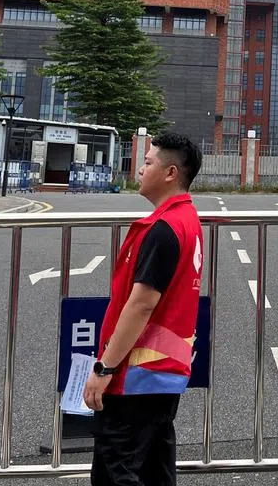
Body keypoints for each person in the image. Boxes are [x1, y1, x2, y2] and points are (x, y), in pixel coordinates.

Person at [84, 131, 204, 486]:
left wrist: (104, 368)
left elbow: (141, 305)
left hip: (135, 378)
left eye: (148, 162)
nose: (140, 169)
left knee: (116, 473)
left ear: (170, 173)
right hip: (163, 375)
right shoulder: (187, 220)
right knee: (155, 470)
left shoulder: (164, 229)